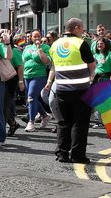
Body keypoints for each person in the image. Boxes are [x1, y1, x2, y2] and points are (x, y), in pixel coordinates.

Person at [46, 18, 96, 164]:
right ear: (76, 28)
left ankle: (62, 153)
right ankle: (78, 155)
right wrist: (90, 77)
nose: (83, 32)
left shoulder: (55, 45)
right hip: (80, 89)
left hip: (61, 89)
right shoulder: (81, 43)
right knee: (79, 123)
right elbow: (92, 65)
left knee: (63, 122)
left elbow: (54, 66)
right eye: (82, 29)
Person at [22, 30, 51, 132]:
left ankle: (31, 122)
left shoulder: (46, 47)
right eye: (35, 36)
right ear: (31, 38)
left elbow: (46, 61)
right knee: (32, 98)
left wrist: (39, 49)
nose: (37, 38)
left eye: (38, 36)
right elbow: (23, 61)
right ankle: (44, 115)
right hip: (27, 75)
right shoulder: (27, 48)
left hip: (39, 76)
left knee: (31, 97)